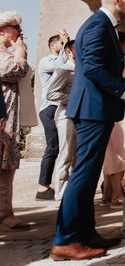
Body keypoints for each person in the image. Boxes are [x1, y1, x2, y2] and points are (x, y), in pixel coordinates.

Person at [50, 0, 125, 261]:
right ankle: (66, 240)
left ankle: (85, 233)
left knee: (89, 173)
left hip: (98, 108)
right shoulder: (97, 26)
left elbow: (100, 69)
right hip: (92, 109)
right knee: (83, 175)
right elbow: (92, 69)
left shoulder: (104, 26)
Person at [0, 11, 30, 230]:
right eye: (14, 27)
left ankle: (5, 210)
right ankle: (4, 212)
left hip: (8, 115)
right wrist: (20, 54)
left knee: (6, 164)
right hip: (3, 118)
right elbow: (13, 71)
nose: (19, 31)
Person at [102, 32, 125, 206]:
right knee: (119, 149)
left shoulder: (119, 61)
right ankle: (116, 192)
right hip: (120, 109)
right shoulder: (119, 62)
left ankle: (108, 191)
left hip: (118, 107)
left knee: (113, 151)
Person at [36, 31, 69, 201]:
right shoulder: (46, 61)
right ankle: (43, 187)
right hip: (49, 108)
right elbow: (59, 66)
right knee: (53, 146)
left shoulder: (63, 58)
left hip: (61, 107)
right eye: (59, 43)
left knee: (63, 147)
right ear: (52, 45)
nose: (62, 45)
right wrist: (66, 45)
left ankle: (57, 184)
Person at [46, 40, 77, 201]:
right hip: (65, 116)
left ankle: (74, 192)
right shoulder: (64, 70)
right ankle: (61, 193)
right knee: (66, 154)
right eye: (76, 50)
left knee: (78, 157)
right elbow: (51, 94)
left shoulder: (85, 70)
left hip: (81, 117)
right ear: (69, 53)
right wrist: (74, 98)